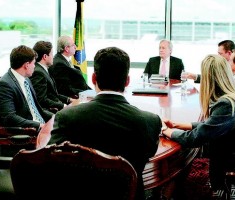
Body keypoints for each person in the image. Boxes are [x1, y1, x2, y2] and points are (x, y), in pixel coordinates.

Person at [48, 47, 161, 200]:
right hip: (129, 194)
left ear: (94, 78)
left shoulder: (66, 117)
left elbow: (51, 158)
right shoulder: (150, 121)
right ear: (127, 81)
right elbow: (148, 154)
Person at [162, 54, 235, 199]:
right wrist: (178, 125)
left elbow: (196, 139)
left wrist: (166, 131)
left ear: (208, 78)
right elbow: (214, 125)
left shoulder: (226, 105)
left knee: (177, 180)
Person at [0, 45, 53, 132]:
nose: (34, 66)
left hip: (40, 125)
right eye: (33, 63)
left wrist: (57, 117)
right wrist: (40, 125)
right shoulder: (5, 85)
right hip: (28, 131)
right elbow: (10, 118)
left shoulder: (26, 79)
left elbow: (37, 109)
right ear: (26, 65)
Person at [30, 41, 76, 113]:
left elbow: (53, 94)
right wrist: (63, 106)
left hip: (55, 106)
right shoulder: (38, 73)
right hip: (47, 112)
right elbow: (41, 100)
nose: (53, 57)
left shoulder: (43, 69)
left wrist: (69, 99)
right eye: (51, 54)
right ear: (45, 56)